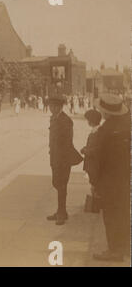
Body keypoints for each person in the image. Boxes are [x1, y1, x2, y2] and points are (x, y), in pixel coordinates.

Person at [91, 94, 130, 262]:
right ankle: (124, 247)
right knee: (122, 214)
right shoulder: (127, 126)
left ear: (105, 112)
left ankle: (114, 250)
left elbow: (98, 159)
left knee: (110, 215)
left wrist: (94, 183)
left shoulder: (104, 130)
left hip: (108, 180)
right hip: (124, 179)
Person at [47, 94, 83, 225]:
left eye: (54, 106)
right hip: (55, 157)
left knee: (61, 185)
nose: (51, 108)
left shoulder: (66, 120)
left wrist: (59, 158)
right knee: (57, 183)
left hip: (63, 158)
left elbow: (67, 142)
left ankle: (62, 213)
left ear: (59, 106)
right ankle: (60, 211)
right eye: (50, 106)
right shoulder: (54, 118)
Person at [80, 109, 102, 205]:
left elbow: (97, 149)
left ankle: (97, 203)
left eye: (88, 120)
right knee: (93, 182)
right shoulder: (95, 131)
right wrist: (85, 148)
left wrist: (86, 151)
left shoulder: (98, 132)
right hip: (92, 163)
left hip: (94, 164)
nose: (87, 122)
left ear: (92, 120)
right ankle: (96, 202)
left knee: (95, 183)